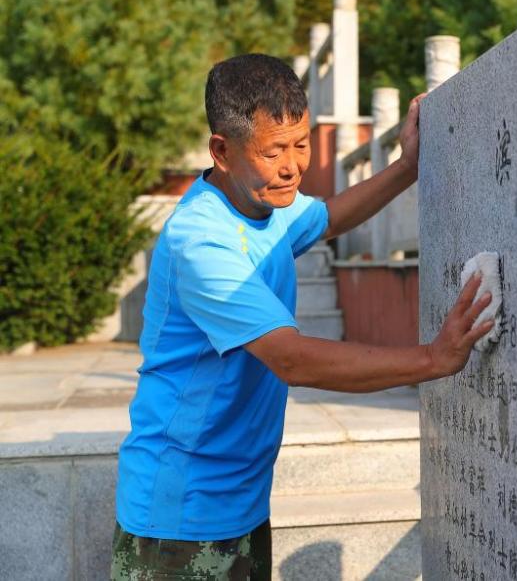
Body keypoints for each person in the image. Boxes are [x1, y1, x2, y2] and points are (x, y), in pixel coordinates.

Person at [111, 54, 493, 579]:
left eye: (301, 144)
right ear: (221, 151)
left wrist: (407, 166)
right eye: (273, 152)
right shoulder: (201, 240)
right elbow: (292, 360)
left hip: (241, 501)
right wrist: (433, 358)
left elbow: (329, 216)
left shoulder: (267, 201)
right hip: (180, 517)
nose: (293, 166)